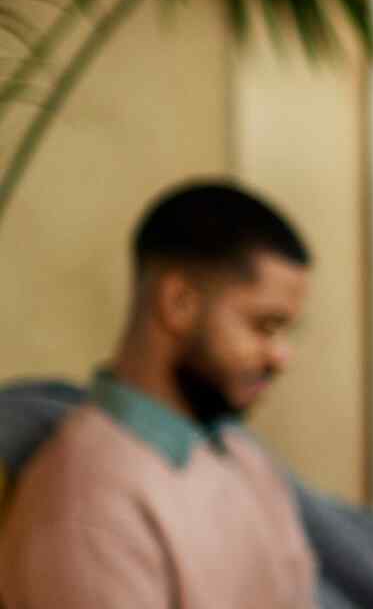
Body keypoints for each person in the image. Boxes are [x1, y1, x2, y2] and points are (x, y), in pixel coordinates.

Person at [0, 182, 317, 607]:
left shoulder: (244, 459)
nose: (281, 357)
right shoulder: (89, 507)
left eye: (284, 332)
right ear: (179, 302)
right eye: (263, 326)